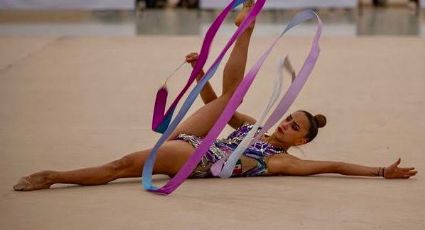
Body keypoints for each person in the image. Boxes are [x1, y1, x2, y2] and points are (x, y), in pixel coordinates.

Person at [13, 1, 417, 191]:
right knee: (230, 100)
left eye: (294, 126)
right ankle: (246, 29)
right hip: (193, 142)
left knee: (123, 165)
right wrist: (198, 74)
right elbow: (216, 106)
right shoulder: (255, 129)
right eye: (290, 118)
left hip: (198, 160)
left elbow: (335, 165)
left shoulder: (280, 162)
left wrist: (380, 171)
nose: (286, 123)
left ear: (302, 141)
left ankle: (53, 176)